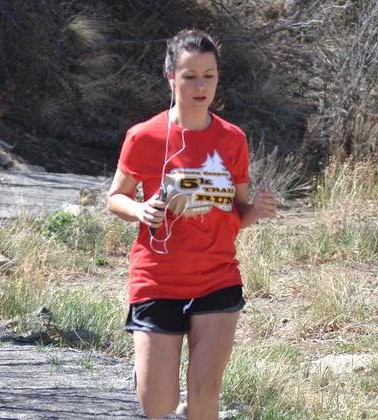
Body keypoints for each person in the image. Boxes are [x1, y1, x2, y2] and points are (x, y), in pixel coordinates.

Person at [106, 29, 276, 419]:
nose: (201, 85)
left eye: (209, 75)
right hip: (157, 278)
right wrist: (140, 210)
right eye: (190, 76)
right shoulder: (145, 137)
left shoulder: (232, 139)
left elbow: (238, 211)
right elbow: (114, 197)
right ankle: (149, 377)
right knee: (158, 404)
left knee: (205, 393)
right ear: (171, 77)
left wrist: (258, 208)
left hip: (217, 276)